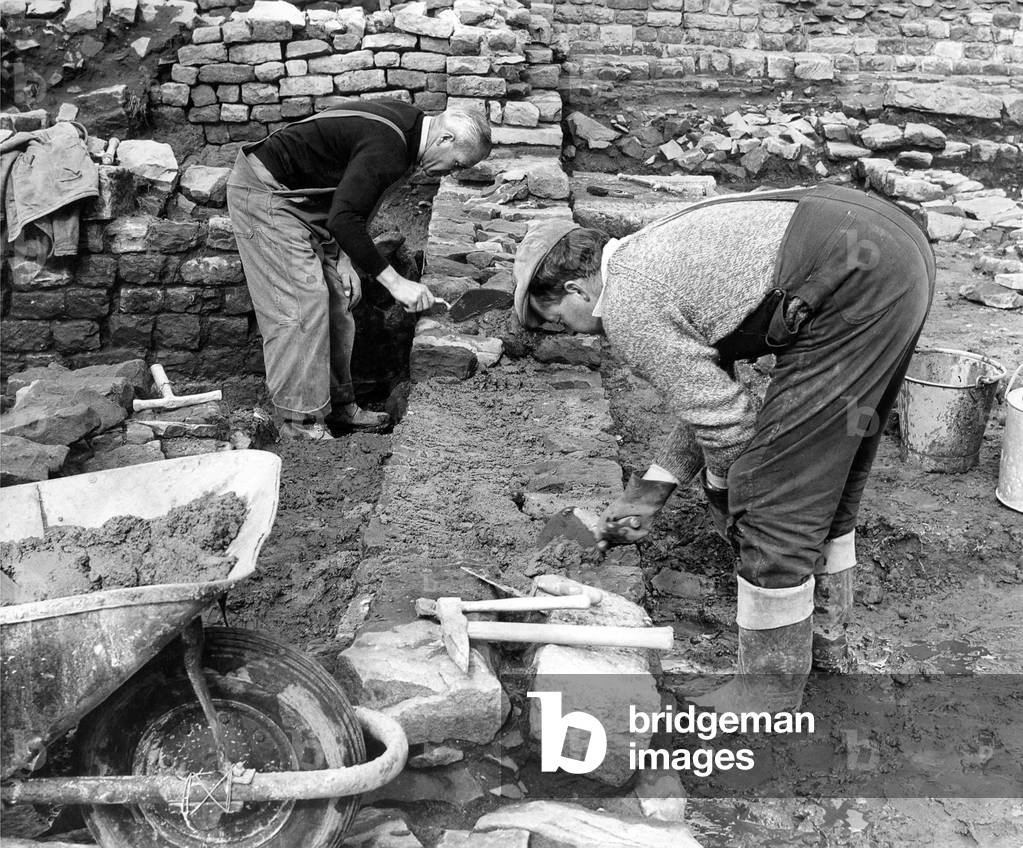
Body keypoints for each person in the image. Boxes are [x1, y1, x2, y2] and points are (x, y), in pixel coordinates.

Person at [513, 185, 935, 711]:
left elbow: (728, 423)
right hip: (886, 248)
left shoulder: (626, 305)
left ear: (576, 290)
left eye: (557, 318)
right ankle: (827, 635)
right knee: (832, 463)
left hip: (853, 275)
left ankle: (768, 689)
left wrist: (728, 500)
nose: (574, 334)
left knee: (774, 492)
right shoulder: (649, 254)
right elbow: (713, 397)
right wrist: (649, 493)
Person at [227, 100, 492, 440]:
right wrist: (396, 283)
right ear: (445, 139)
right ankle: (301, 425)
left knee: (338, 295)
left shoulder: (411, 131)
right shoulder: (390, 146)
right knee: (302, 301)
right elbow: (343, 218)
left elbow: (362, 198)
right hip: (266, 194)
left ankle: (337, 406)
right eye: (457, 164)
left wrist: (344, 258)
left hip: (303, 200)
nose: (451, 173)